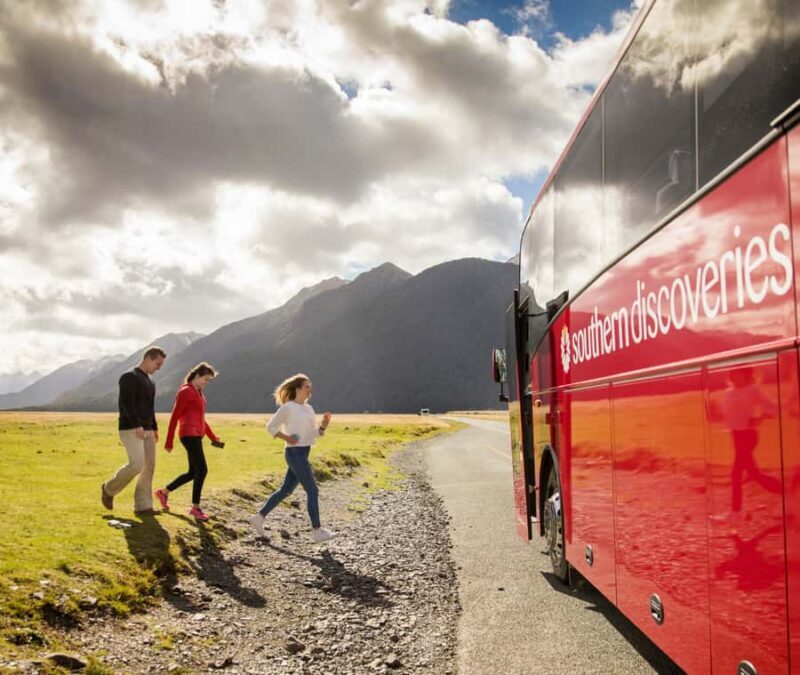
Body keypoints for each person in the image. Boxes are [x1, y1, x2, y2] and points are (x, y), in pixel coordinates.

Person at [249, 374, 334, 543]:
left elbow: (314, 434)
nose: (310, 389)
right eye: (306, 386)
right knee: (312, 490)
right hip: (294, 453)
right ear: (297, 389)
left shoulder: (309, 408)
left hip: (304, 452)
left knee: (286, 490)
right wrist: (286, 438)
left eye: (310, 386)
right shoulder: (288, 408)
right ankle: (317, 530)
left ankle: (258, 517)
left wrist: (323, 425)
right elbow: (270, 426)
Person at [101, 346, 166, 515]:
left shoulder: (151, 381)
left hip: (148, 429)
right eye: (158, 364)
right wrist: (137, 424)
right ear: (149, 358)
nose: (159, 368)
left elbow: (150, 407)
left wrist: (155, 428)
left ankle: (143, 506)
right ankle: (109, 489)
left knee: (149, 467)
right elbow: (126, 404)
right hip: (131, 428)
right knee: (137, 465)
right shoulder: (129, 377)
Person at [155, 362, 223, 521]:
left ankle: (163, 492)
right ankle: (195, 508)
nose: (206, 383)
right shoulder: (186, 391)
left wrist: (213, 437)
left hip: (197, 434)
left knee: (193, 472)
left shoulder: (198, 392)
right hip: (188, 434)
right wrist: (169, 440)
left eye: (208, 381)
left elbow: (201, 419)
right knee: (203, 469)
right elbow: (175, 415)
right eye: (205, 379)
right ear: (197, 376)